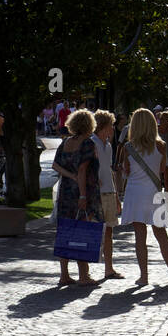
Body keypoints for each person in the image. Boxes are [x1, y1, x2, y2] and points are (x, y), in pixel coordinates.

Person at [120, 108, 168, 288]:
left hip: (135, 193)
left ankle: (144, 276)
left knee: (140, 237)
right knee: (161, 234)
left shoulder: (128, 148)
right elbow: (164, 172)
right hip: (154, 192)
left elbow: (125, 172)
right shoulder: (161, 146)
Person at [52, 107, 102, 288]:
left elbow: (56, 165)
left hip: (65, 192)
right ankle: (83, 275)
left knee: (65, 230)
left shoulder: (66, 142)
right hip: (83, 192)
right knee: (83, 231)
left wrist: (70, 176)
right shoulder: (87, 143)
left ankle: (64, 275)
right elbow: (82, 170)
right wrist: (82, 194)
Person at [92, 109, 122, 279]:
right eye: (111, 125)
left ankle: (109, 268)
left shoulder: (108, 145)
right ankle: (85, 271)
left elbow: (109, 170)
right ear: (102, 126)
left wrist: (116, 195)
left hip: (109, 192)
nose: (113, 128)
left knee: (109, 231)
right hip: (95, 194)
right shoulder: (91, 143)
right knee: (93, 231)